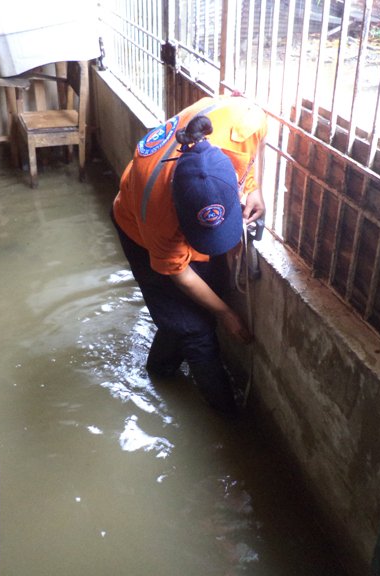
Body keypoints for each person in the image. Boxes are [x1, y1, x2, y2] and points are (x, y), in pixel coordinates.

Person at [111, 94, 268, 415]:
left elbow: (259, 144)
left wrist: (254, 187)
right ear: (179, 215)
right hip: (137, 231)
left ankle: (160, 370)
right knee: (196, 331)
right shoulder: (158, 215)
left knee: (186, 316)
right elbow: (179, 272)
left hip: (176, 212)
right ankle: (230, 425)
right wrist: (226, 314)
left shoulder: (241, 123)